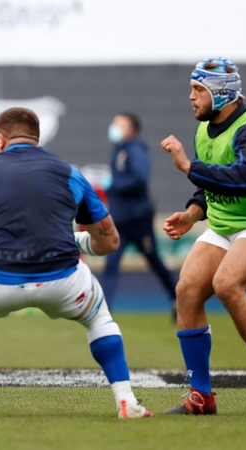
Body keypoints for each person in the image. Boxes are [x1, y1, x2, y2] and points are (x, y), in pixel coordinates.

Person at [0, 107, 153, 419]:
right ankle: (126, 401)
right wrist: (80, 241)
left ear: (0, 139)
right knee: (99, 314)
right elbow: (110, 242)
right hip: (62, 284)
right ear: (35, 139)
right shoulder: (69, 173)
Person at [160, 57, 246, 415]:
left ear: (221, 93)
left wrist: (188, 166)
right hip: (224, 226)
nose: (191, 97)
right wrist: (192, 214)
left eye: (198, 89)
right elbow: (209, 184)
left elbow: (244, 179)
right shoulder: (203, 129)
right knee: (186, 291)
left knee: (227, 283)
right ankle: (201, 395)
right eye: (192, 88)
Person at [99, 113, 177, 318]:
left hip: (138, 220)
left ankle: (178, 298)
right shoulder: (119, 149)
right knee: (111, 265)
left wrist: (114, 185)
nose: (114, 127)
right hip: (120, 221)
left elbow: (140, 178)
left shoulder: (135, 150)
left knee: (154, 261)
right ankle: (104, 312)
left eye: (119, 124)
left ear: (131, 129)